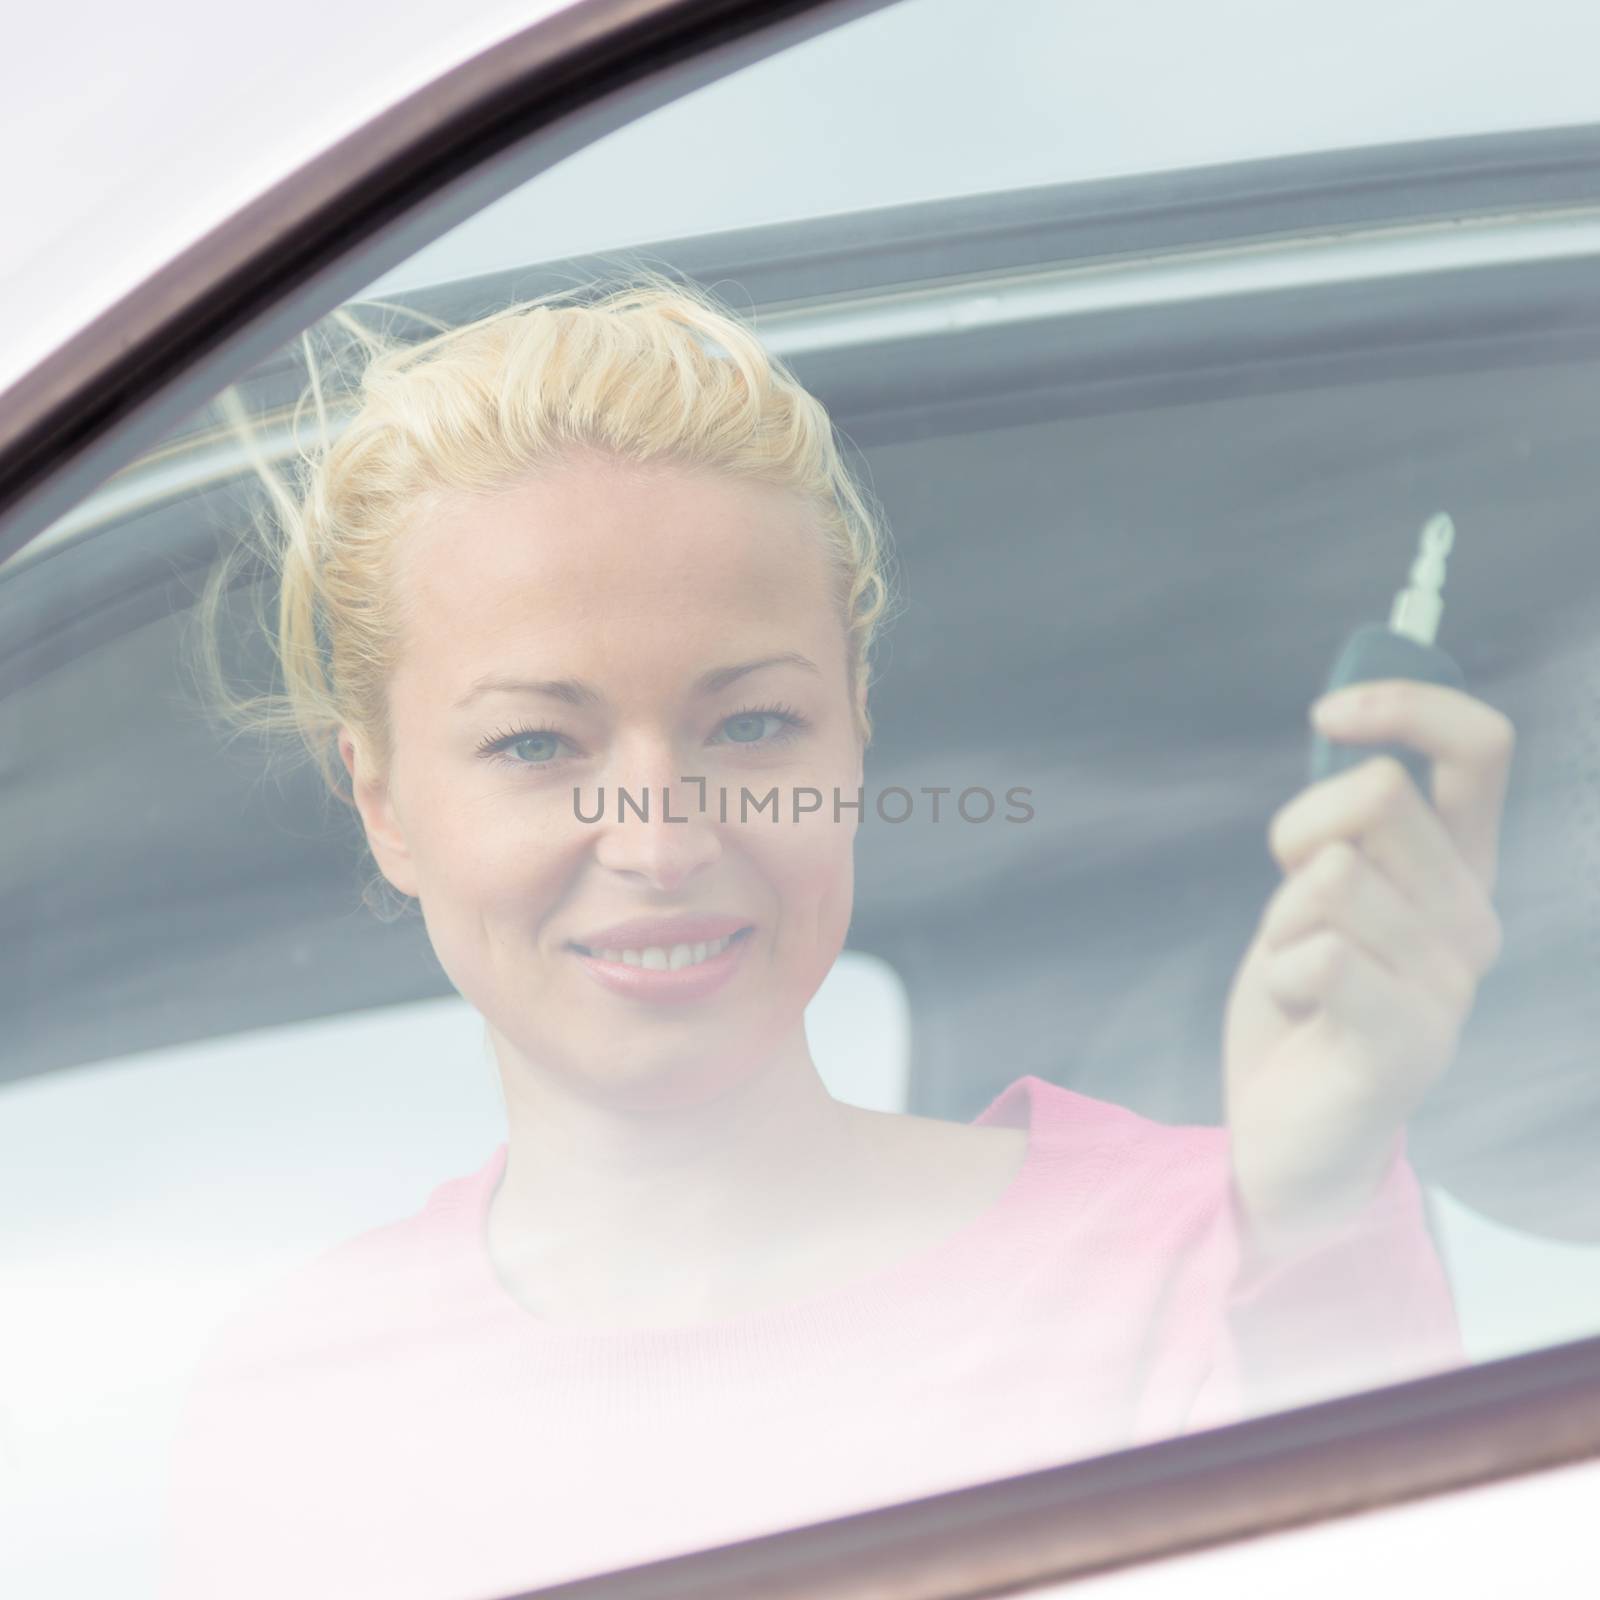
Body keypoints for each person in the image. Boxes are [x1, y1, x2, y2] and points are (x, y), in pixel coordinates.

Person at [162, 281, 1511, 1600]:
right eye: (535, 744)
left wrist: (1315, 1230)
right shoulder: (299, 1407)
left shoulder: (1224, 1254)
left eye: (750, 726)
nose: (658, 838)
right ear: (387, 800)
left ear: (855, 731)